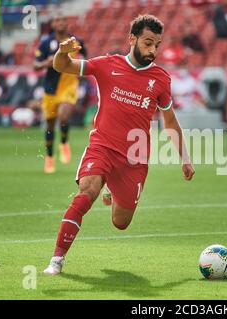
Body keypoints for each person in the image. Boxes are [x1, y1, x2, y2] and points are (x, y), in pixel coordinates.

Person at [43, 15, 195, 275]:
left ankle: (113, 189)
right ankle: (56, 259)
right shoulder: (106, 64)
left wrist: (185, 157)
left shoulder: (160, 79)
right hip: (102, 146)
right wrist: (61, 52)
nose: (153, 50)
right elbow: (62, 66)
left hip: (135, 158)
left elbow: (169, 121)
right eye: (148, 43)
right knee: (85, 195)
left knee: (120, 223)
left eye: (157, 45)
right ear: (132, 39)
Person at [34, 14, 87, 174]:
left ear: (67, 23)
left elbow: (85, 58)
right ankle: (49, 158)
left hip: (69, 86)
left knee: (64, 116)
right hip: (50, 89)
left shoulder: (76, 42)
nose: (61, 22)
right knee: (50, 124)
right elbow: (35, 65)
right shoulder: (45, 43)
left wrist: (81, 70)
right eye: (57, 20)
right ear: (53, 23)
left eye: (63, 20)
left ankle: (64, 143)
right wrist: (45, 63)